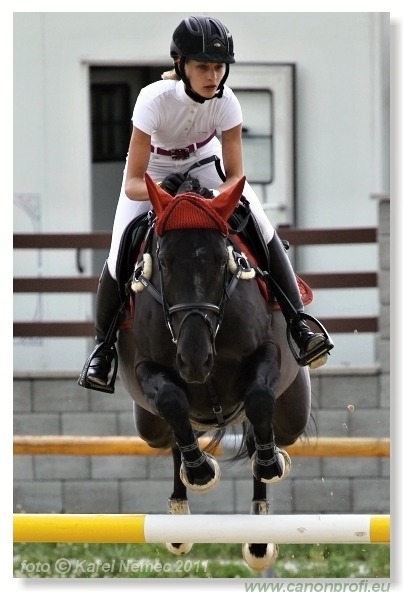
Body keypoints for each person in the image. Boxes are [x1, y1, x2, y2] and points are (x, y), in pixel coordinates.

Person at [78, 15, 333, 394]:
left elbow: (236, 176)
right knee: (119, 250)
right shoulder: (152, 100)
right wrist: (165, 191)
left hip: (206, 167)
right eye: (203, 66)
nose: (213, 75)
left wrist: (214, 198)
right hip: (155, 174)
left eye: (218, 67)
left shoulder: (227, 102)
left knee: (263, 228)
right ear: (181, 65)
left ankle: (299, 322)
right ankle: (103, 349)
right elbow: (133, 182)